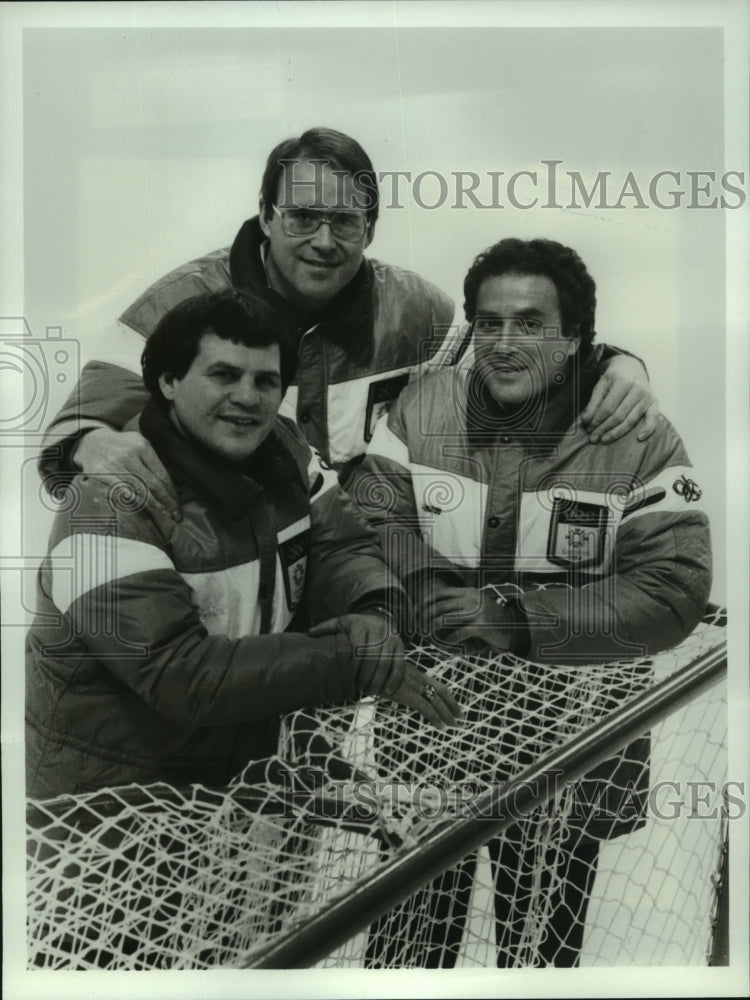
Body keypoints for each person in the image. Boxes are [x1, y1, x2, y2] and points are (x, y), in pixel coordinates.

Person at [349, 237, 712, 967]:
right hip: (430, 735)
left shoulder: (641, 437)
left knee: (540, 960)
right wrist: (425, 587)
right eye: (489, 323)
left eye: (531, 324)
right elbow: (365, 522)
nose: (505, 344)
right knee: (404, 955)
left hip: (573, 749)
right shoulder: (421, 408)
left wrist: (514, 618)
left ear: (577, 336)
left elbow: (672, 589)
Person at [39, 127, 658, 515]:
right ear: (265, 214)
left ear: (371, 227)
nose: (324, 241)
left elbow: (511, 363)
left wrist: (617, 363)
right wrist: (91, 443)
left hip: (358, 559)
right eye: (303, 216)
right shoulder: (181, 301)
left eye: (347, 222)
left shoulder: (414, 308)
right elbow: (74, 428)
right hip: (225, 560)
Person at [25, 291, 461, 801]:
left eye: (266, 380)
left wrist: (371, 612)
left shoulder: (286, 449)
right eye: (224, 375)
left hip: (245, 789)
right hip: (116, 814)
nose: (249, 397)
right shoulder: (103, 508)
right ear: (168, 382)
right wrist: (349, 659)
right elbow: (180, 676)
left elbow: (341, 546)